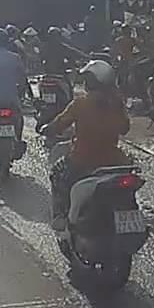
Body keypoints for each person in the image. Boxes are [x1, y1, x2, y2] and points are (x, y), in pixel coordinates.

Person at [42, 60, 130, 231]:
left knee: (57, 175)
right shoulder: (117, 103)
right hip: (115, 161)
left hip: (83, 160)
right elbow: (125, 128)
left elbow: (59, 124)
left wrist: (48, 128)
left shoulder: (81, 103)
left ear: (91, 82)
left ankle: (61, 217)